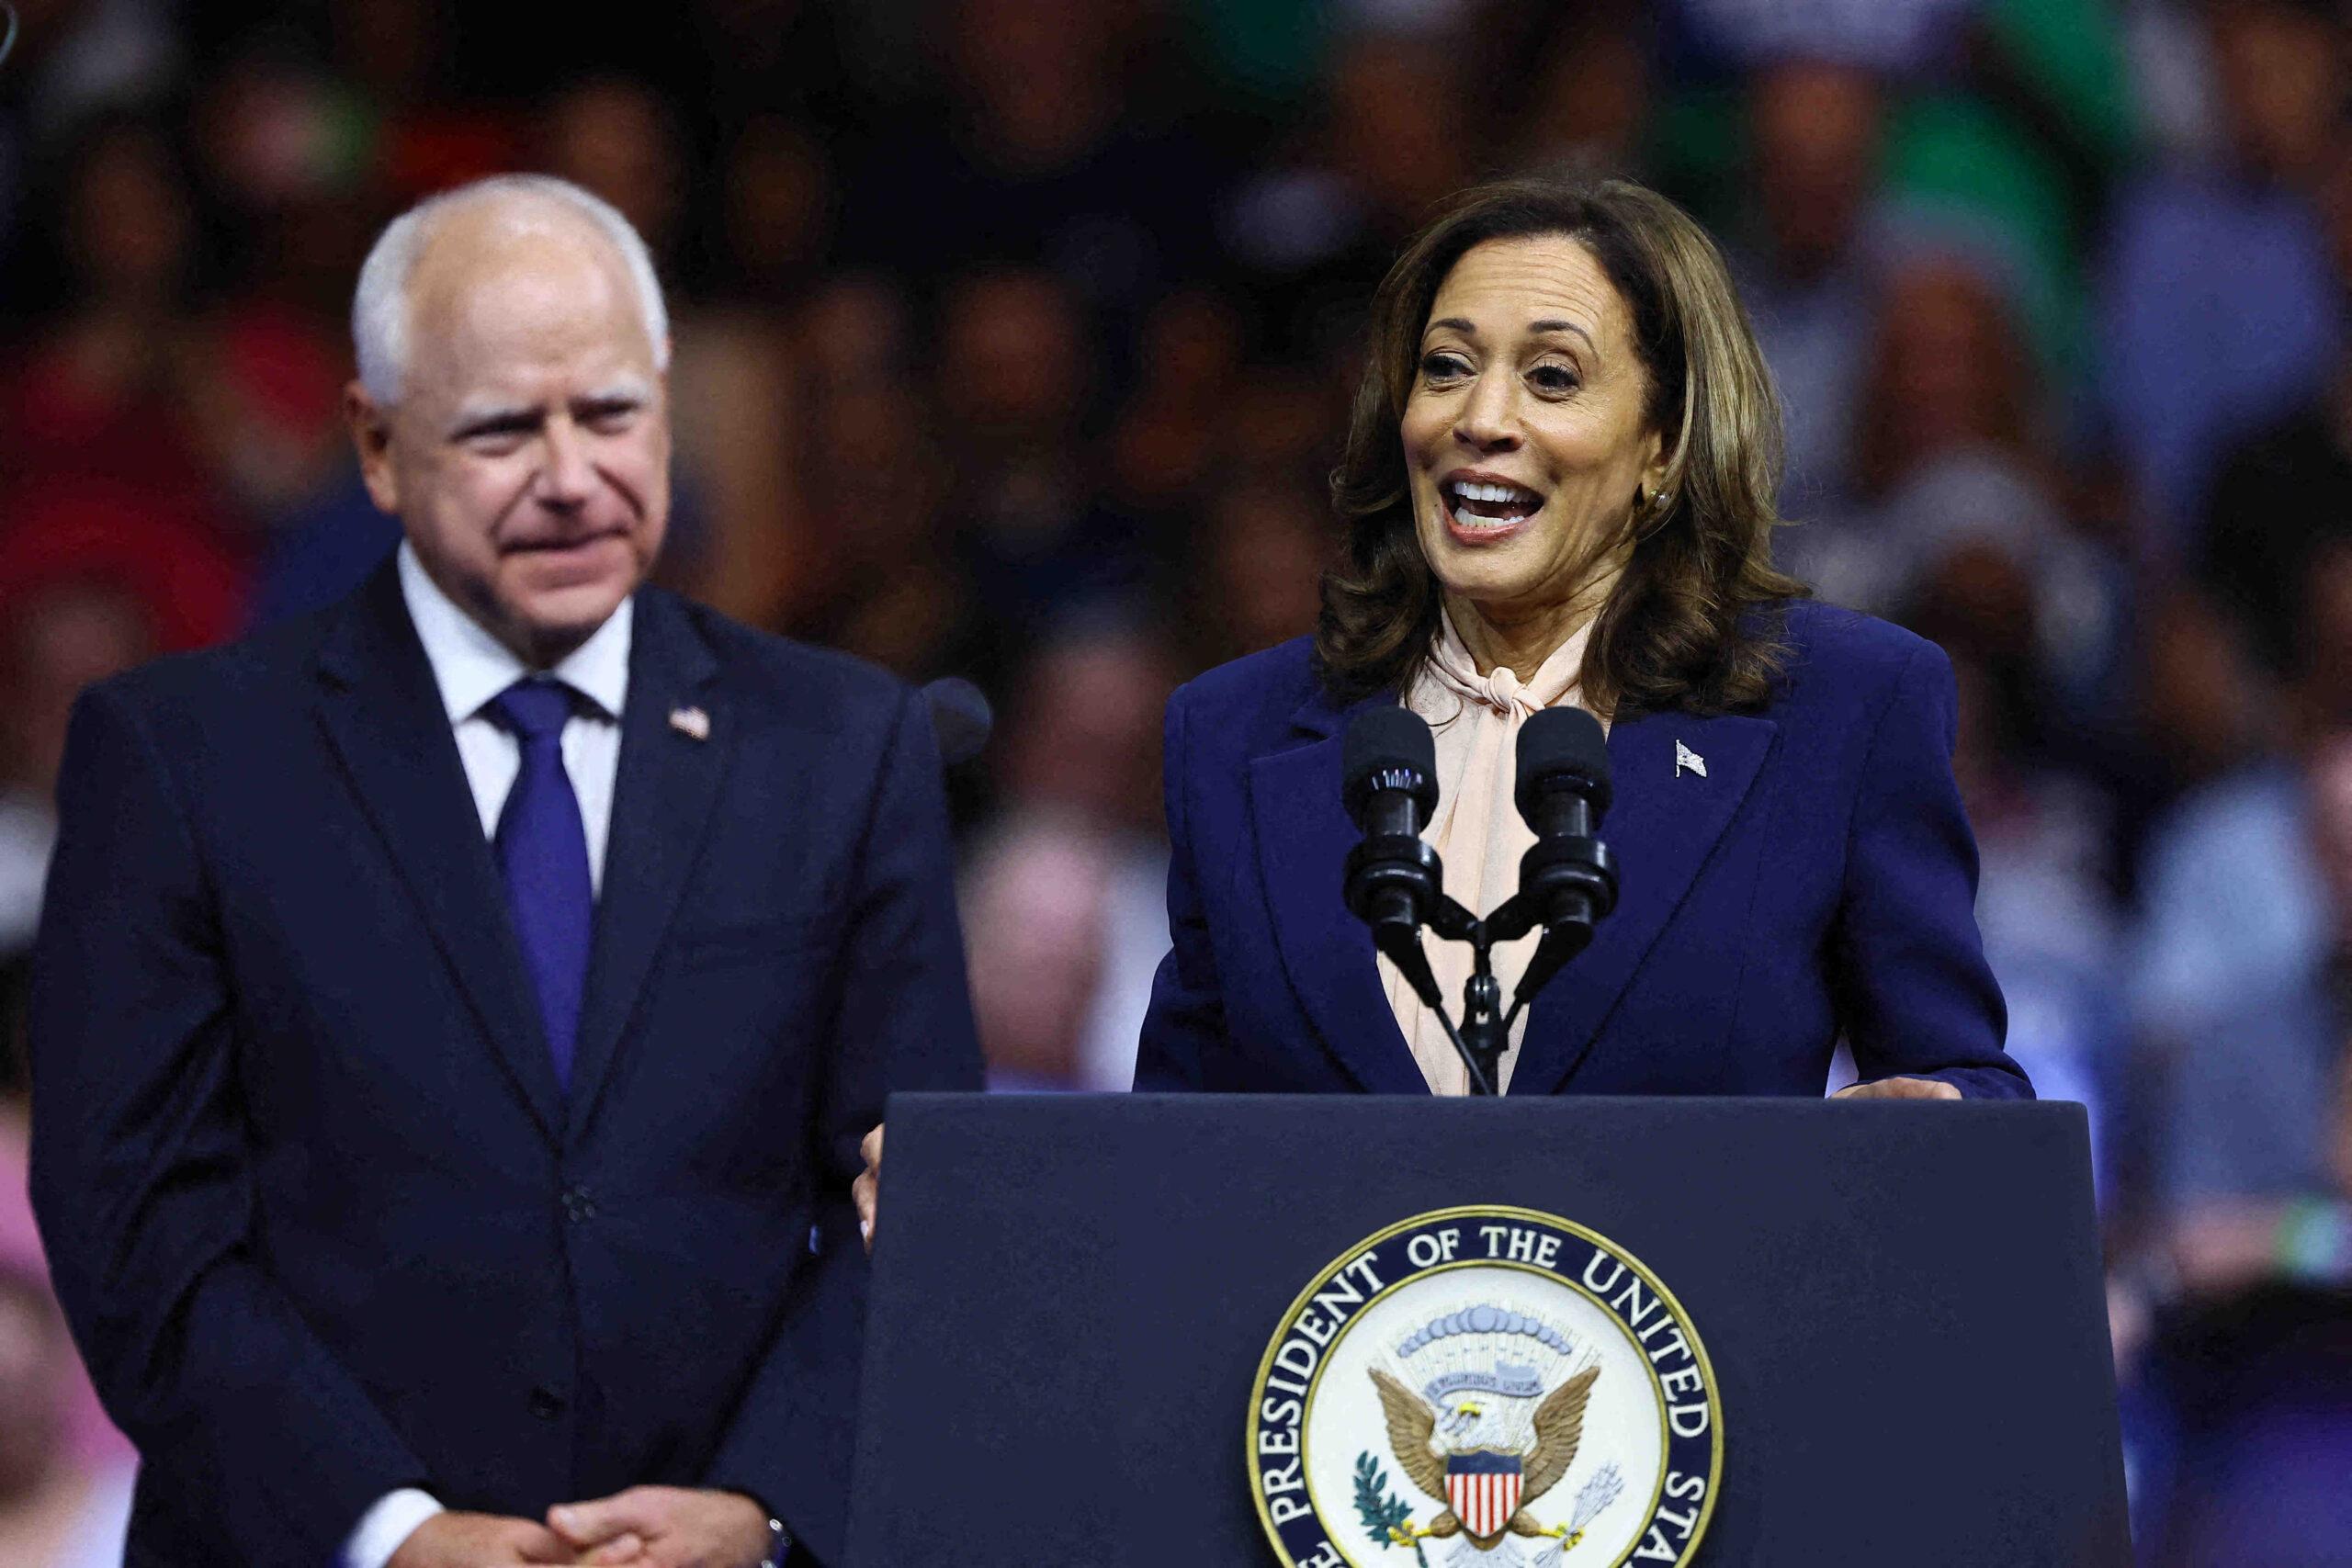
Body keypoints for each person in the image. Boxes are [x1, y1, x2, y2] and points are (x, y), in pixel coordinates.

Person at [27, 175, 980, 1568]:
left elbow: (919, 1192)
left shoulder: (843, 744)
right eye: (499, 428)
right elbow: (138, 1227)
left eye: (609, 413)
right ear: (375, 444)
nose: (571, 474)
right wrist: (395, 1531)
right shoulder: (180, 759)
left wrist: (767, 1507)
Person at [1133, 177, 2030, 1100]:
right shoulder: (1235, 732)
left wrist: (1932, 1117)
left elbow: (1966, 1091)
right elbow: (1170, 1154)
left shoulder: (1843, 708)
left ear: (1662, 443)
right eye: (1444, 366)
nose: (1479, 420)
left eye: (1550, 377)